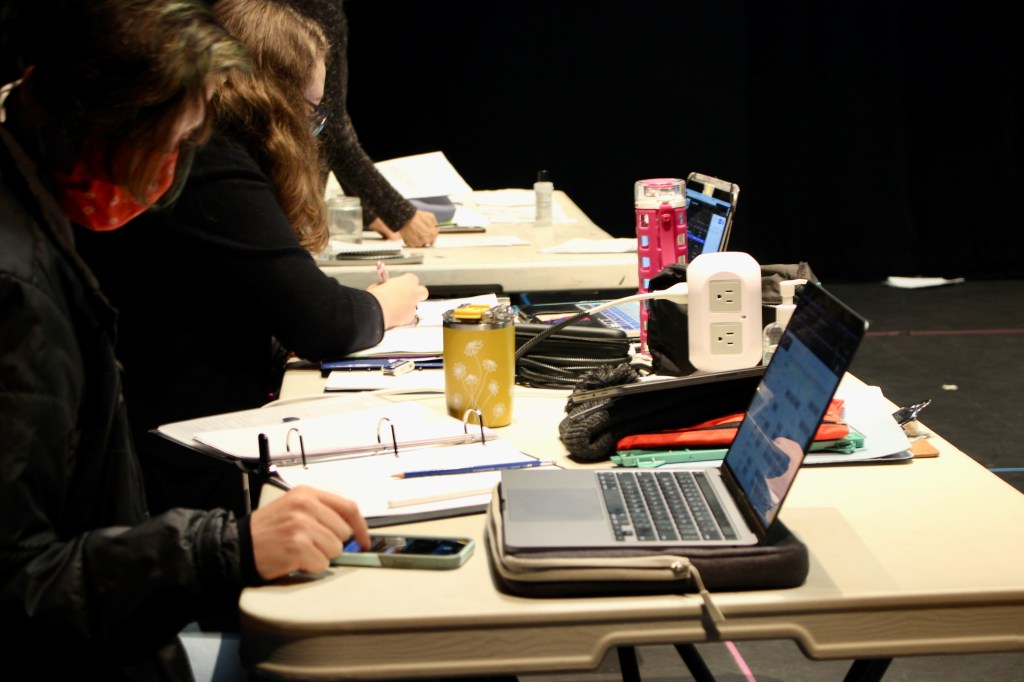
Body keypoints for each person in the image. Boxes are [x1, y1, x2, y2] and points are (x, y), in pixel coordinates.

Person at [0, 2, 371, 679]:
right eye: (173, 143)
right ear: (110, 120)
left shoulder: (37, 214)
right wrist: (228, 547)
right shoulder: (17, 290)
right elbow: (20, 581)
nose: (173, 172)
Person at [76, 0, 428, 518]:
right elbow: (321, 320)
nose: (316, 129)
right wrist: (385, 303)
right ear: (276, 102)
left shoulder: (213, 157)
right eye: (312, 111)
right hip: (171, 462)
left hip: (169, 441)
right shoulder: (212, 164)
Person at [273, 0, 440, 247]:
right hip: (278, 203)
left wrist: (368, 211)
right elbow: (330, 127)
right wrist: (400, 215)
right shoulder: (317, 6)